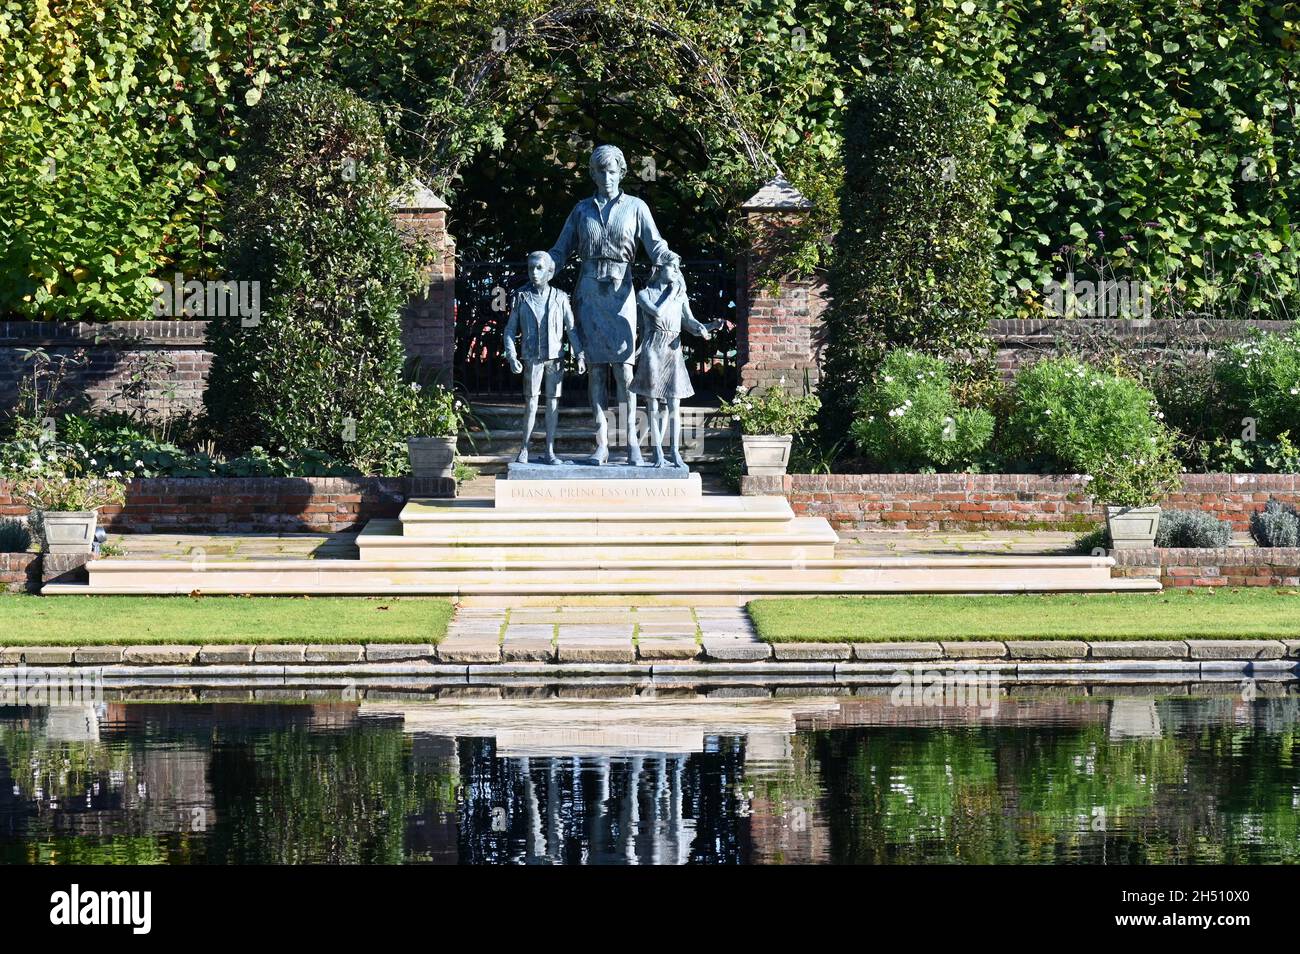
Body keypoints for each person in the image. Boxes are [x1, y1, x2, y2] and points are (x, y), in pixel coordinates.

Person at [546, 144, 679, 465]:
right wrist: (542, 266)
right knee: (595, 370)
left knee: (624, 369)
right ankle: (602, 442)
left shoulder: (636, 207)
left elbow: (655, 243)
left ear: (622, 172)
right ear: (593, 174)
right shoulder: (581, 210)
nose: (607, 177)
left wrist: (669, 258)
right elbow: (560, 251)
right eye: (600, 171)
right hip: (589, 292)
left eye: (612, 170)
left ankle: (632, 441)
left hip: (622, 294)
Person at [631, 260, 721, 468]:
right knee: (653, 404)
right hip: (653, 347)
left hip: (673, 350)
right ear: (659, 270)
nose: (676, 271)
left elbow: (689, 322)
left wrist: (706, 327)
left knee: (674, 404)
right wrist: (672, 293)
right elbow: (657, 312)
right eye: (671, 267)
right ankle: (657, 451)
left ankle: (674, 451)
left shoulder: (680, 296)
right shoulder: (645, 294)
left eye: (677, 268)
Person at [502, 251, 584, 464]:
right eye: (531, 268)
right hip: (532, 358)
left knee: (553, 405)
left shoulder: (560, 297)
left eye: (539, 268)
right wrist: (512, 356)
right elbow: (509, 330)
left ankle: (549, 451)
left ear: (550, 271)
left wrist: (580, 355)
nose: (534, 273)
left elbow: (571, 329)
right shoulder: (521, 297)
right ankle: (524, 449)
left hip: (555, 358)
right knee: (530, 404)